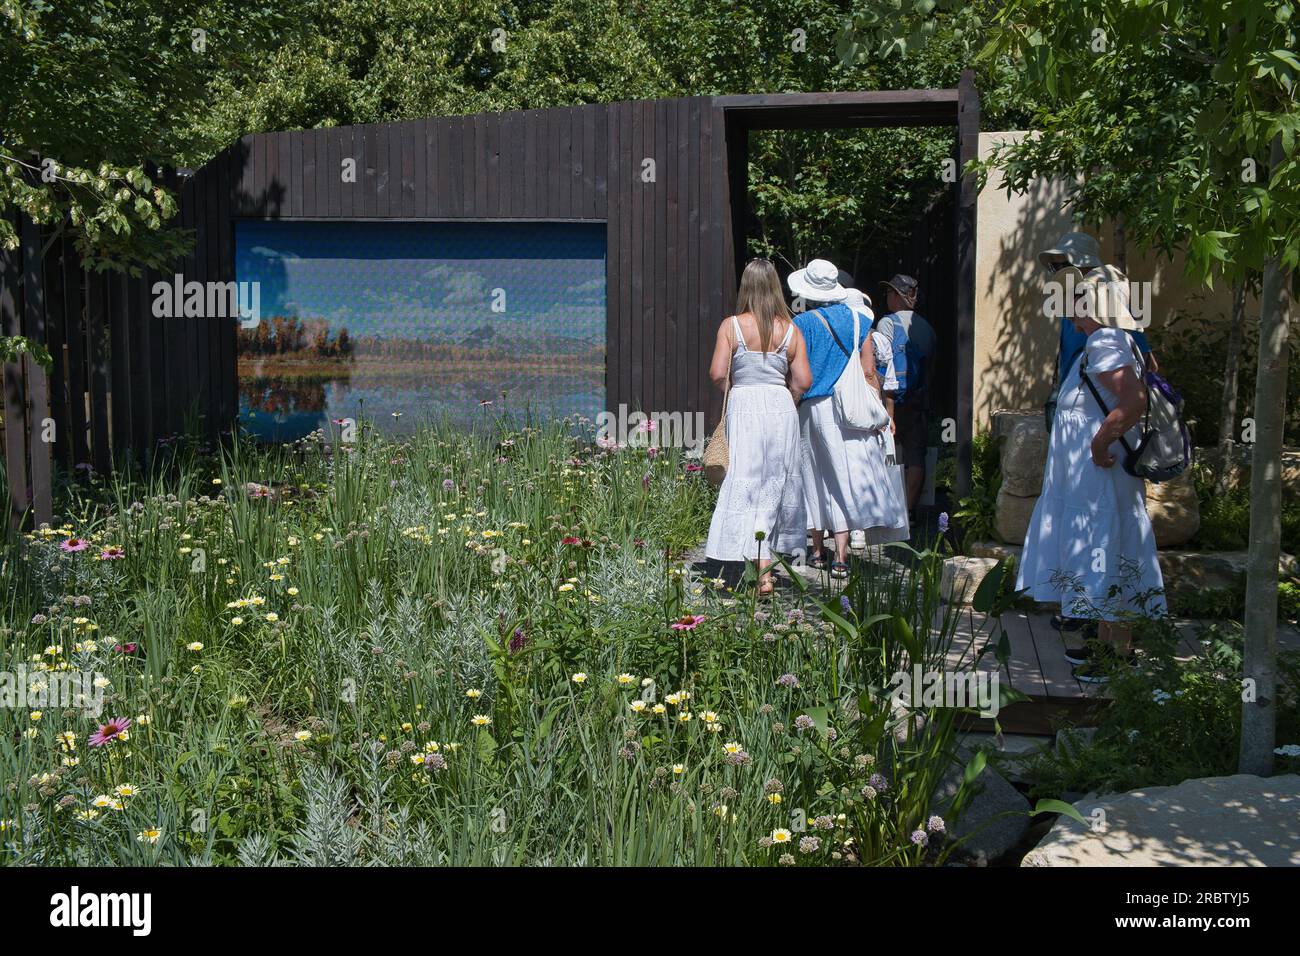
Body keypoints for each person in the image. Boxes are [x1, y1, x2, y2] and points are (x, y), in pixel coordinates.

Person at [1015, 264, 1167, 683]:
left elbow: (1132, 402)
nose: (1072, 315)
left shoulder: (1105, 341)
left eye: (1078, 304)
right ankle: (1108, 642)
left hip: (1100, 478)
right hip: (1094, 482)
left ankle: (1116, 654)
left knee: (1107, 547)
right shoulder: (1108, 342)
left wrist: (1099, 444)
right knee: (1110, 549)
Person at [1038, 231, 1157, 637]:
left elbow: (1133, 390)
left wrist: (1102, 437)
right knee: (1089, 530)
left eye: (1063, 265)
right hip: (1084, 430)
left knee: (1101, 532)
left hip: (1099, 440)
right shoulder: (1087, 313)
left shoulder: (1106, 318)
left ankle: (1098, 627)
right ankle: (1086, 612)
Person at [788, 259, 908, 579]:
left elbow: (797, 372)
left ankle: (816, 551)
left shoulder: (802, 323)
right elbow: (868, 370)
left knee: (812, 478)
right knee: (839, 478)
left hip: (811, 407)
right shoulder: (859, 319)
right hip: (844, 407)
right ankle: (841, 556)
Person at [705, 258, 812, 595]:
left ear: (746, 287)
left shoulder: (732, 326)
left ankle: (755, 569)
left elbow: (717, 373)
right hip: (780, 407)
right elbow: (804, 381)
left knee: (745, 480)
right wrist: (787, 398)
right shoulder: (791, 329)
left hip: (745, 404)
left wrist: (735, 392)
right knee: (774, 483)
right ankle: (765, 572)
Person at [842, 285, 907, 552]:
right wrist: (888, 414)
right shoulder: (878, 339)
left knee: (847, 466)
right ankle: (867, 525)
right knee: (869, 465)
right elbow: (888, 383)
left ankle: (847, 527)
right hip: (872, 410)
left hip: (844, 409)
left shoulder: (842, 336)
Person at [873, 274, 937, 516]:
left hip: (890, 400)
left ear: (898, 296)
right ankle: (908, 512)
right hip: (916, 401)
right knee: (915, 456)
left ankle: (883, 511)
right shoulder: (928, 329)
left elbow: (881, 363)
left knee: (883, 454)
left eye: (889, 293)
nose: (887, 297)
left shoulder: (887, 324)